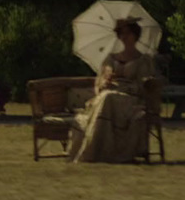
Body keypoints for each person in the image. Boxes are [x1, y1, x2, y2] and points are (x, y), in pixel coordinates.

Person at [67, 18, 156, 164]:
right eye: (121, 33)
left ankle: (98, 153)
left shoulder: (143, 60)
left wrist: (125, 84)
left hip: (130, 100)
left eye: (128, 33)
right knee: (105, 97)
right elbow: (98, 85)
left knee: (108, 98)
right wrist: (105, 82)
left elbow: (144, 85)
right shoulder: (110, 59)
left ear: (135, 35)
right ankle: (94, 151)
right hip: (106, 97)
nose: (124, 36)